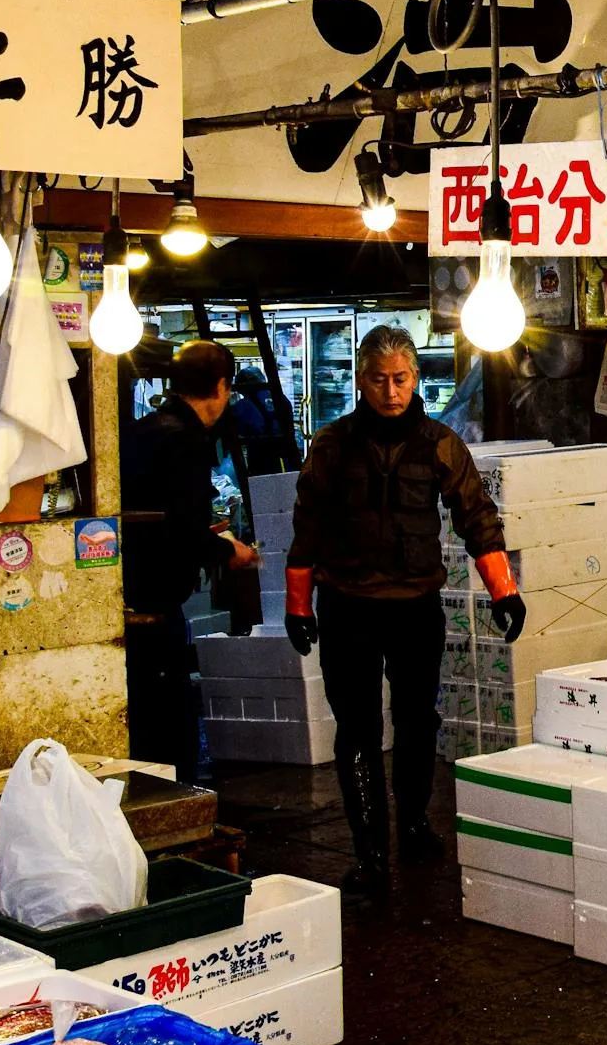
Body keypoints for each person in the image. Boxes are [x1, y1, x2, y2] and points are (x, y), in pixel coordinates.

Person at [285, 325, 523, 896]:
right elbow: (306, 529)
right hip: (348, 608)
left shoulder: (441, 443)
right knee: (358, 731)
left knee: (418, 722)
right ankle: (369, 852)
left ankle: (414, 824)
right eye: (378, 380)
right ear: (361, 382)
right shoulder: (333, 445)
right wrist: (299, 604)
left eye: (401, 378)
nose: (391, 391)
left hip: (417, 608)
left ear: (416, 378)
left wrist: (504, 590)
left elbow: (477, 519)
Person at [120, 341, 259, 784]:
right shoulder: (186, 441)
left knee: (145, 722)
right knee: (170, 731)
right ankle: (169, 816)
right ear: (221, 386)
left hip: (126, 601)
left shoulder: (143, 430)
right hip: (155, 610)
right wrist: (227, 551)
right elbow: (181, 527)